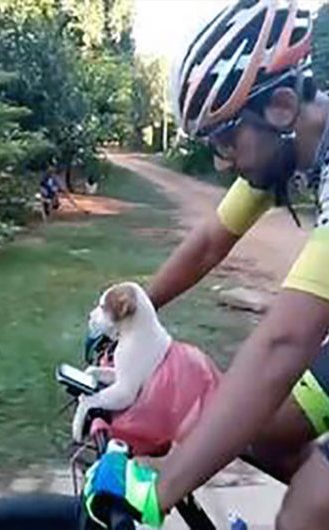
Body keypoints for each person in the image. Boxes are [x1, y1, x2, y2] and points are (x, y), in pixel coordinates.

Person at [84, 1, 329, 529]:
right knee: (263, 428)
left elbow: (284, 345)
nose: (220, 162)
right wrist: (128, 317)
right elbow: (208, 244)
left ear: (283, 107)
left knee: (311, 505)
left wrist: (163, 489)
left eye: (225, 140)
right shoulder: (291, 147)